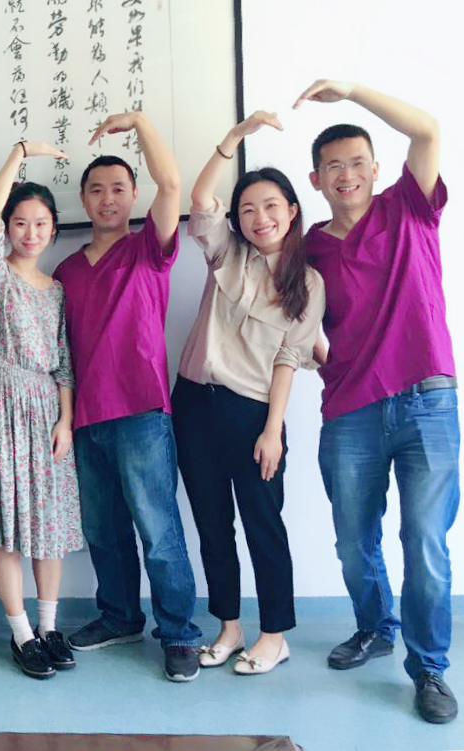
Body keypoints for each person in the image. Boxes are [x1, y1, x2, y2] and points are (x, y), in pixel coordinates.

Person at [294, 79, 457, 723]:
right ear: (316, 179)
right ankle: (375, 627)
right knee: (351, 541)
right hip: (350, 410)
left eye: (357, 162)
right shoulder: (309, 247)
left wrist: (353, 91)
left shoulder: (409, 207)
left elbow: (428, 130)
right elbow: (299, 322)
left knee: (424, 541)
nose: (347, 174)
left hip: (426, 401)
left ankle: (430, 668)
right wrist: (312, 347)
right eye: (334, 166)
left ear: (376, 169)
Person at [174, 111, 325, 676]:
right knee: (212, 523)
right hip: (193, 402)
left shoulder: (307, 281)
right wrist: (233, 138)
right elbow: (200, 198)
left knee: (264, 524)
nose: (260, 218)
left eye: (271, 206)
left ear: (292, 210)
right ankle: (229, 627)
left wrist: (272, 430)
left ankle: (274, 635)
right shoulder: (226, 254)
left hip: (254, 412)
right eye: (248, 209)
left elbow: (290, 358)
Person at [53, 111, 203, 682]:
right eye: (96, 190)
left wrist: (139, 122)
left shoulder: (149, 249)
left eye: (118, 188)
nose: (108, 199)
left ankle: (179, 633)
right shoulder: (66, 270)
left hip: (142, 411)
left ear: (134, 195)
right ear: (83, 200)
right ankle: (119, 617)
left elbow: (173, 183)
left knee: (158, 530)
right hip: (85, 417)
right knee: (103, 531)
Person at [0, 141, 84, 680]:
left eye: (41, 224)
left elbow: (64, 363)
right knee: (7, 524)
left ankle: (49, 627)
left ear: (53, 229)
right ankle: (20, 634)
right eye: (21, 222)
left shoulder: (56, 290)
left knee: (49, 522)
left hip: (47, 414)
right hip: (1, 407)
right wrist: (18, 153)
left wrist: (66, 420)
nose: (30, 232)